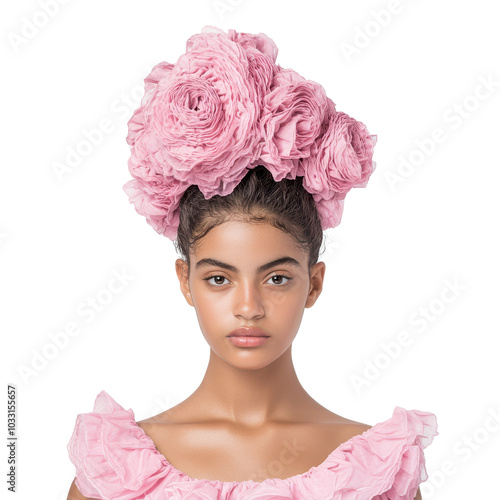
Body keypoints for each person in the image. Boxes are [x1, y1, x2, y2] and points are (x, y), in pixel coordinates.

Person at [66, 25, 438, 499]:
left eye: (277, 277)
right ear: (186, 281)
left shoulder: (373, 470)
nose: (249, 307)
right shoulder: (117, 469)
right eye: (219, 278)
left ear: (315, 283)